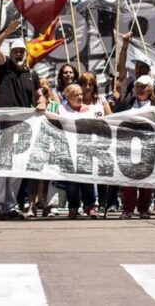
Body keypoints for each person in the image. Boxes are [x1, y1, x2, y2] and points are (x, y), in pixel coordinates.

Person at [0, 18, 43, 220]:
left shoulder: (32, 75)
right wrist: (7, 31)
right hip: (2, 125)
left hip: (23, 125)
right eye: (15, 51)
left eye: (21, 51)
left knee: (16, 166)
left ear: (26, 54)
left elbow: (39, 94)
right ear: (11, 54)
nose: (18, 54)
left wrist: (42, 100)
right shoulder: (6, 67)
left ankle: (9, 206)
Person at [114, 74, 155, 218]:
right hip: (129, 145)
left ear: (150, 90)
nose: (139, 89)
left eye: (143, 87)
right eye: (137, 86)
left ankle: (143, 209)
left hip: (148, 147)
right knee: (129, 180)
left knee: (146, 181)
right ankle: (128, 209)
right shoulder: (127, 102)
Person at [57, 83, 98, 218]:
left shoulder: (90, 110)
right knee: (72, 183)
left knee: (87, 181)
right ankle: (73, 207)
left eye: (81, 94)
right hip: (69, 150)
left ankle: (90, 206)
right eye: (76, 95)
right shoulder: (61, 109)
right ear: (68, 96)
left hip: (86, 149)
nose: (80, 97)